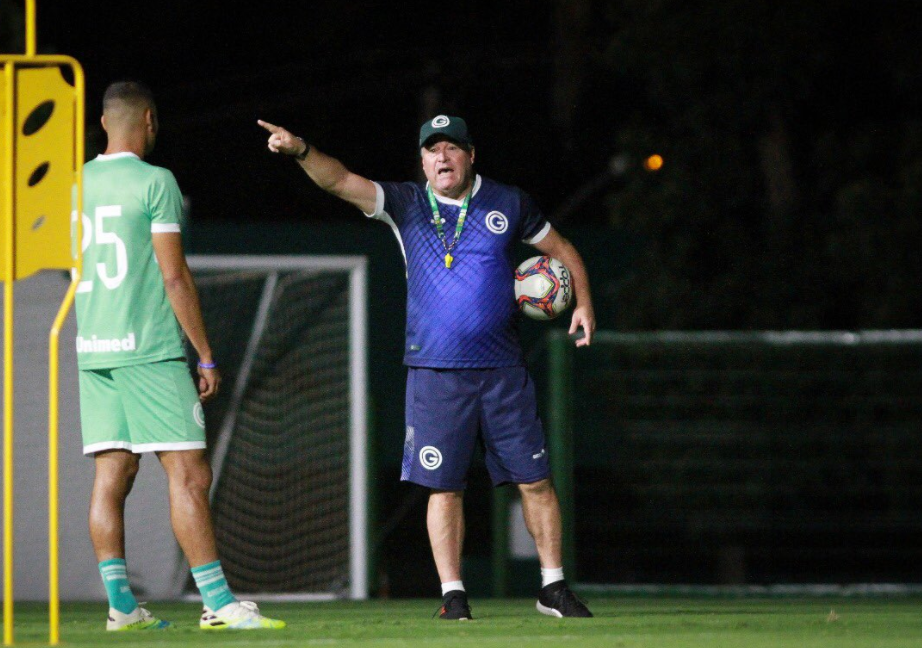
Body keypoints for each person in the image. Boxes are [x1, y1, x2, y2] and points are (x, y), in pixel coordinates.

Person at [259, 114, 595, 619]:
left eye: (452, 148)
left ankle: (552, 587)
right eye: (433, 150)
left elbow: (562, 249)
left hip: (503, 370)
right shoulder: (406, 204)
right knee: (445, 486)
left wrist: (585, 303)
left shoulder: (509, 201)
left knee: (537, 480)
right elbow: (339, 180)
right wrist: (302, 149)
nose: (443, 158)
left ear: (471, 154)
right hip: (436, 372)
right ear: (421, 160)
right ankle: (453, 594)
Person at [74, 81, 284, 632]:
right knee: (189, 473)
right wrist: (206, 354)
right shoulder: (155, 181)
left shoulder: (74, 184)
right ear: (148, 120)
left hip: (94, 348)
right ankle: (219, 603)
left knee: (111, 475)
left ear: (102, 123)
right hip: (148, 348)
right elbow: (173, 274)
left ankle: (122, 607)